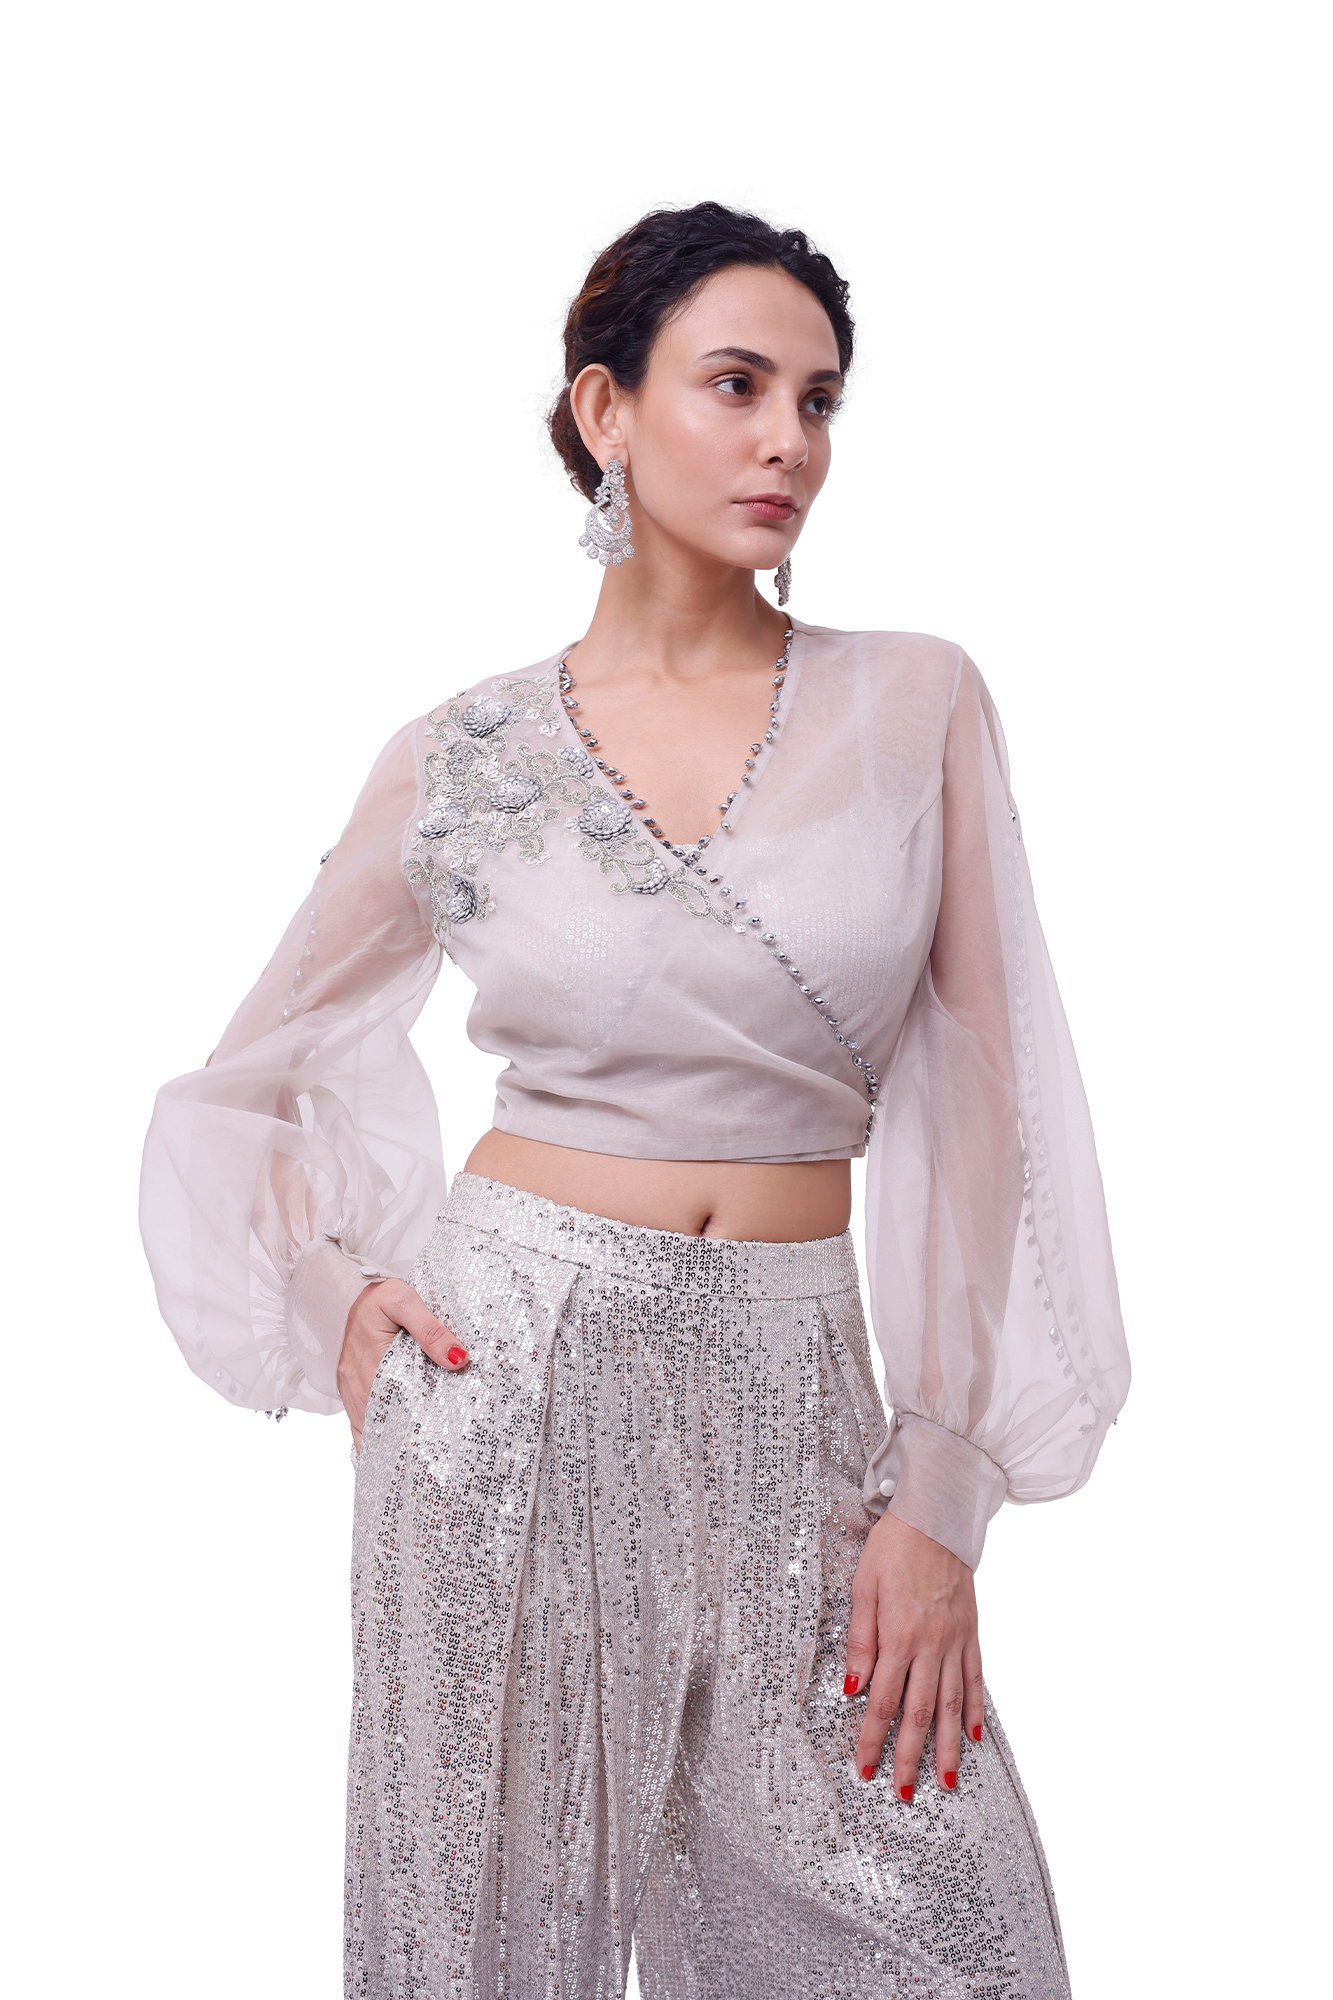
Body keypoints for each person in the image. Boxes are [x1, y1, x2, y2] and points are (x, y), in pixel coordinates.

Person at [141, 201, 1129, 1999]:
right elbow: (245, 1081)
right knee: (483, 1946)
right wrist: (331, 1296)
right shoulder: (463, 755)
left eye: (817, 401)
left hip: (803, 1399)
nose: (787, 442)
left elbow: (994, 1107)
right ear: (605, 411)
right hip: (507, 1385)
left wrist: (943, 1488)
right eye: (734, 386)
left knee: (957, 1939)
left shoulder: (912, 704)